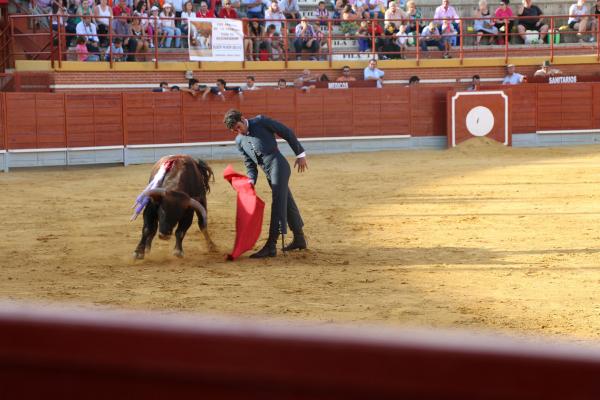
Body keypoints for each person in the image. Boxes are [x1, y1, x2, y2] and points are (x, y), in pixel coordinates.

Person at [223, 109, 308, 258]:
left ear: (243, 119)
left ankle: (271, 245)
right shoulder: (239, 141)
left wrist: (300, 154)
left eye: (238, 127)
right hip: (268, 172)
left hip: (278, 165)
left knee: (277, 203)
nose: (238, 131)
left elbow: (286, 131)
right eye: (234, 130)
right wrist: (250, 181)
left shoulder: (260, 121)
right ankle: (299, 239)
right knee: (286, 201)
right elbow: (250, 165)